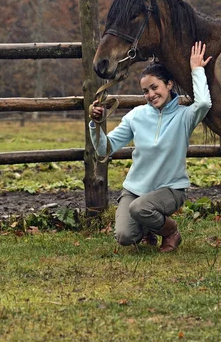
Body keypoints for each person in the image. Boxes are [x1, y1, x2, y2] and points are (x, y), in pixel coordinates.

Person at [89, 41, 212, 252]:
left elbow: (203, 104)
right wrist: (96, 124)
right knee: (125, 236)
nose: (151, 94)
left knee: (140, 208)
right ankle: (147, 229)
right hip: (135, 190)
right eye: (146, 91)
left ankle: (170, 232)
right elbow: (104, 149)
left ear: (169, 85)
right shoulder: (136, 116)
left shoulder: (185, 116)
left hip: (170, 190)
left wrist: (197, 70)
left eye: (155, 87)